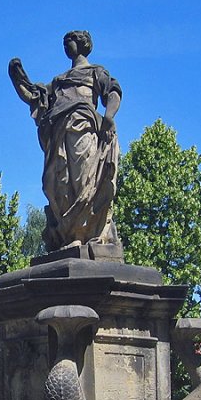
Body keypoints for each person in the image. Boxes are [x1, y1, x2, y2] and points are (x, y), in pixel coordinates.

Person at [9, 30, 122, 253]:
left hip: (82, 129)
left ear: (82, 44)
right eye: (64, 42)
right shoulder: (59, 81)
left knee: (83, 180)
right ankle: (66, 234)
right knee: (53, 183)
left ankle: (82, 232)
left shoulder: (95, 72)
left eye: (68, 41)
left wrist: (109, 117)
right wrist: (17, 78)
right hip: (58, 132)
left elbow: (114, 93)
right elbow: (34, 97)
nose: (65, 45)